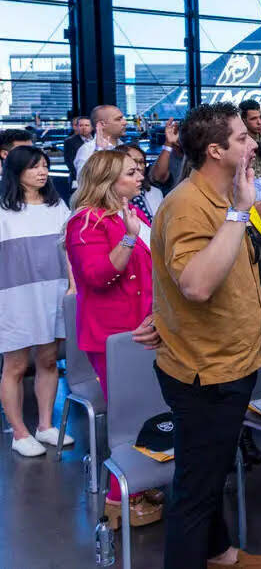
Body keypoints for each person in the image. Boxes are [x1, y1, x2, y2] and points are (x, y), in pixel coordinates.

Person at [150, 103, 261, 569]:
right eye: (243, 138)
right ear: (215, 150)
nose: (253, 143)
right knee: (196, 489)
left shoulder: (222, 195)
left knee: (211, 471)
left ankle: (220, 554)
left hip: (226, 360)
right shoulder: (189, 205)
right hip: (206, 371)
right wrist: (240, 213)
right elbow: (197, 284)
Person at [65, 149, 164, 526]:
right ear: (107, 180)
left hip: (141, 327)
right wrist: (127, 239)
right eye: (130, 173)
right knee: (127, 415)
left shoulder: (129, 212)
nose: (139, 177)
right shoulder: (85, 222)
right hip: (113, 336)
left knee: (146, 411)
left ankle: (138, 483)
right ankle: (117, 499)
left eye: (139, 171)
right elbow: (97, 277)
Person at [0, 146, 72, 457]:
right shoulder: (3, 210)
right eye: (34, 167)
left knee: (48, 359)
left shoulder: (57, 206)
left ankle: (45, 426)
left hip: (53, 292)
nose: (43, 171)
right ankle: (19, 432)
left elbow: (70, 249)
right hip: (14, 296)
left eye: (44, 165)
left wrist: (72, 284)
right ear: (17, 171)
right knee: (15, 365)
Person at [74, 105, 128, 175]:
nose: (125, 122)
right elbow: (85, 182)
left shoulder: (124, 147)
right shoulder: (88, 150)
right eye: (118, 119)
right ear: (102, 124)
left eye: (123, 118)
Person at [240, 99, 261, 177]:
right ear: (244, 121)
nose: (259, 122)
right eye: (253, 119)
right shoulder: (237, 143)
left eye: (260, 117)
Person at [63, 115, 93, 186]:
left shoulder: (97, 140)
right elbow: (70, 162)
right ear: (77, 127)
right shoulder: (70, 141)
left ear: (92, 127)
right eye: (81, 125)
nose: (84, 128)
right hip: (79, 178)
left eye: (87, 125)